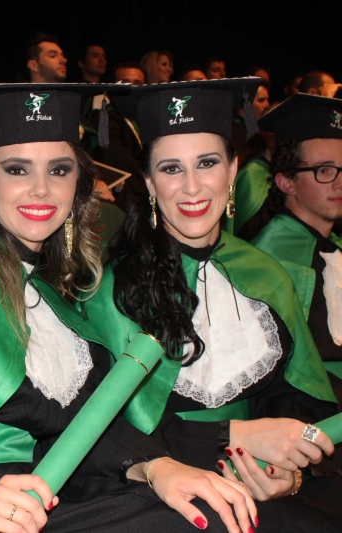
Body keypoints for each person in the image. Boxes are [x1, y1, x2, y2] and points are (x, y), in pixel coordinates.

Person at [0, 82, 266, 533]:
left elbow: (80, 427)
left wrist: (156, 467)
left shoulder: (51, 292)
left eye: (59, 170)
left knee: (215, 513)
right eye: (17, 170)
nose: (41, 189)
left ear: (78, 186)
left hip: (45, 492)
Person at [84, 79, 339, 514]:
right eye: (171, 169)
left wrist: (291, 473)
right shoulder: (113, 289)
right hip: (158, 492)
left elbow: (294, 397)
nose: (192, 187)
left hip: (262, 486)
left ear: (233, 170)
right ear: (149, 182)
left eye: (207, 163)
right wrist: (234, 438)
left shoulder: (265, 272)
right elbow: (111, 432)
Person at [251, 94, 342, 399]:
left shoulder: (333, 247)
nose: (340, 183)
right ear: (286, 182)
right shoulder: (267, 260)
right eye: (324, 170)